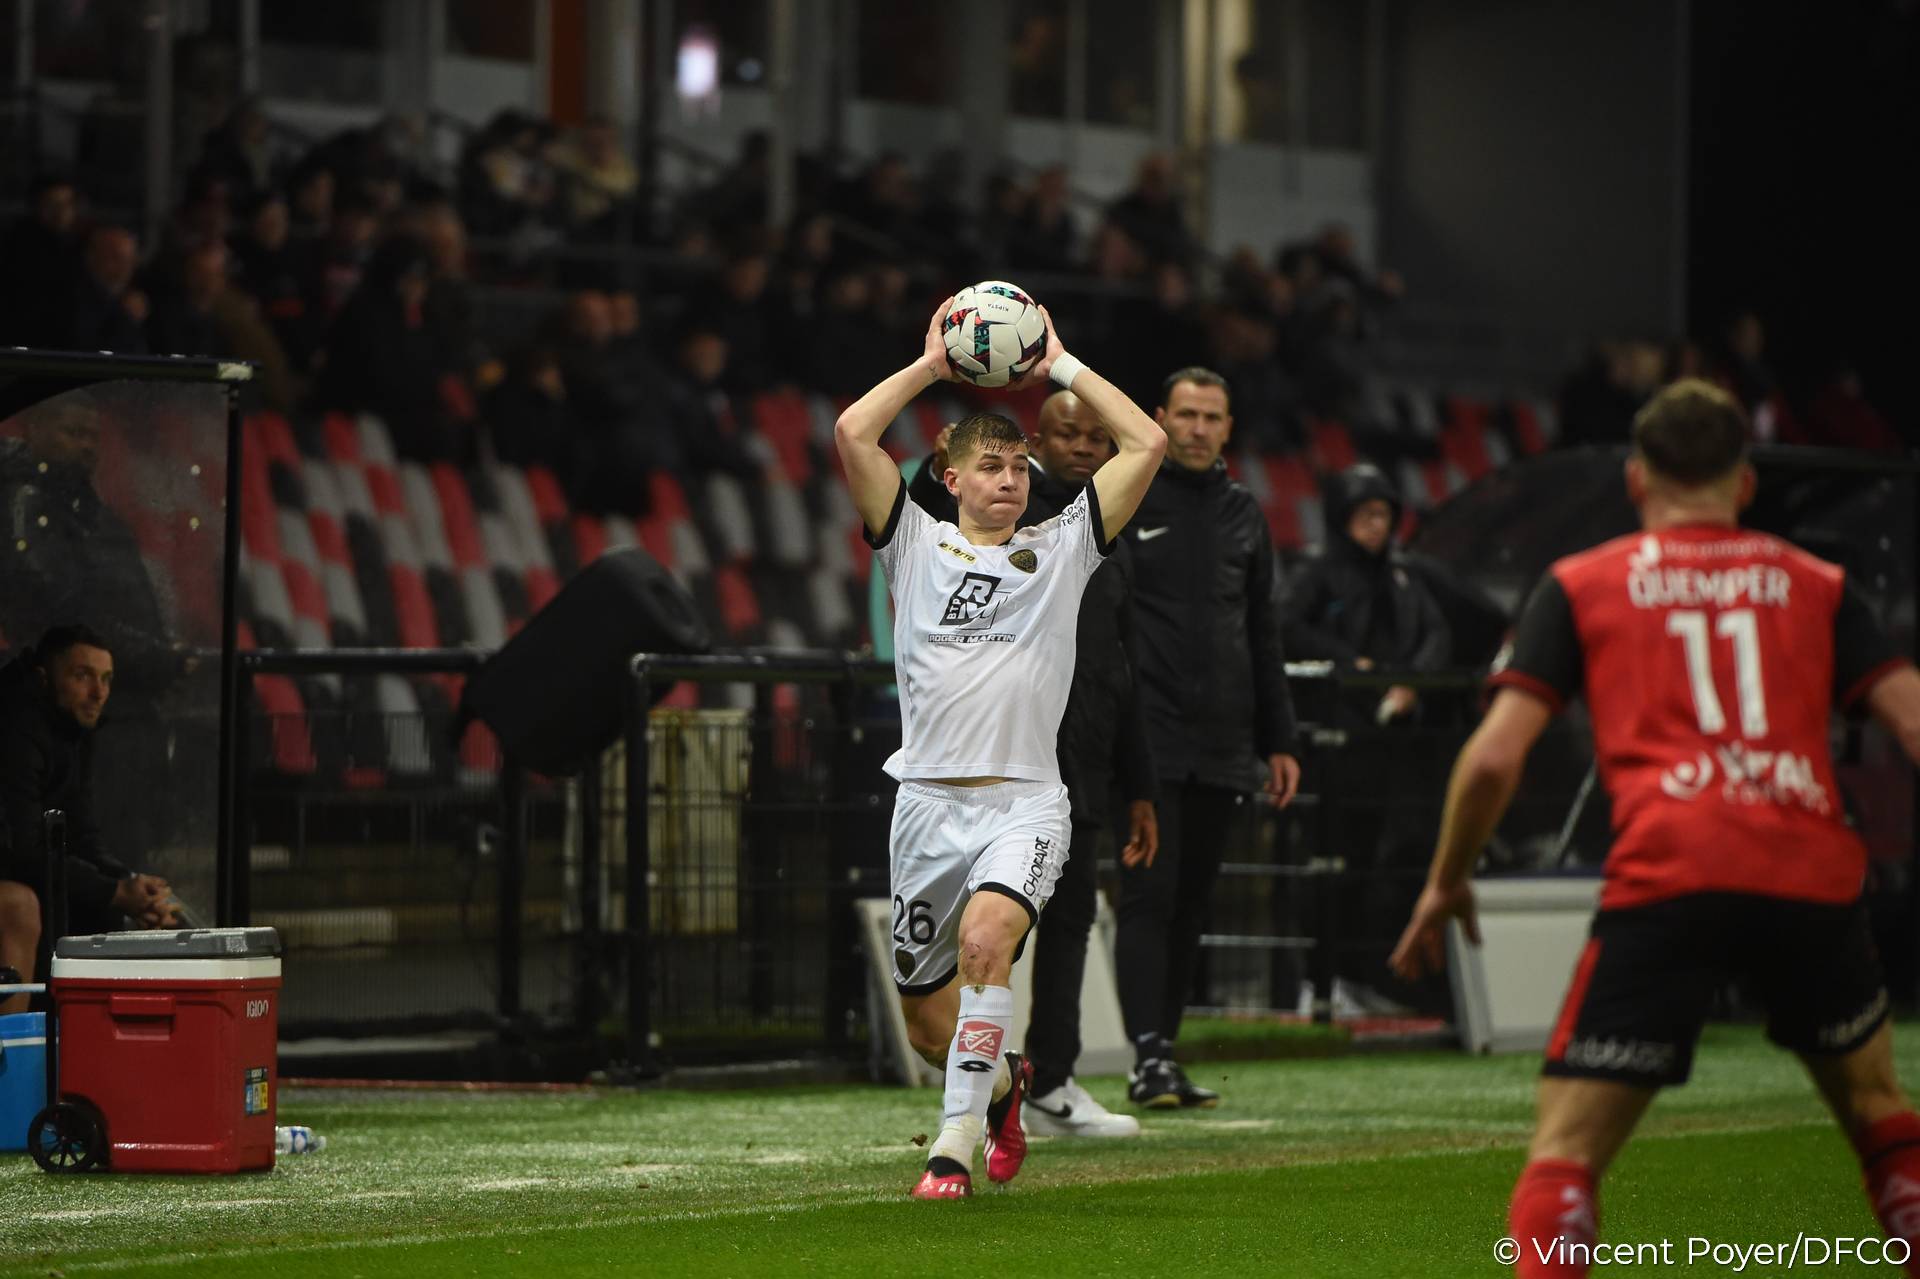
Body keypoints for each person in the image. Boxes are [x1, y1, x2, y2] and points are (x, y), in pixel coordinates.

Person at [1390, 380, 1920, 1277]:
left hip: (1671, 872)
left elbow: (1491, 758)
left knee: (1565, 1154)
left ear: (1637, 478)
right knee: (1881, 1115)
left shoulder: (1582, 583)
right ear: (1744, 482)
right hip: (1808, 873)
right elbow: (1911, 721)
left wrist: (1446, 881)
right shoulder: (1820, 585)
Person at [836, 300, 1164, 1199]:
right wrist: (931, 367)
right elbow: (853, 432)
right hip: (926, 806)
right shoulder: (912, 543)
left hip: (1024, 803)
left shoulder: (1063, 550)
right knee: (927, 1029)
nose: (1011, 480)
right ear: (948, 477)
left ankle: (951, 1147)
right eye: (991, 465)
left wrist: (1060, 361)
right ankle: (1006, 1082)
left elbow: (1146, 442)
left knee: (988, 940)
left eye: (1020, 466)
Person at [1120, 367, 1302, 1108]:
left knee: (1192, 902)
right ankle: (1146, 1055)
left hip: (1224, 740)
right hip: (1148, 737)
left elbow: (1262, 632)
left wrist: (1280, 738)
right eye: (1186, 414)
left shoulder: (1243, 513)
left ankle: (1161, 1053)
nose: (1198, 428)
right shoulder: (1129, 495)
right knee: (1149, 895)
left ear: (1229, 428)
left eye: (1211, 417)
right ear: (1160, 417)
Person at [1016, 392, 1159, 1139]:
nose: (1081, 446)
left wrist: (1140, 786)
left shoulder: (1112, 530)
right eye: (1066, 433)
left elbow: (1121, 667)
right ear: (1038, 439)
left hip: (1087, 760)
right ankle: (976, 1082)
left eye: (1095, 438)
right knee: (996, 925)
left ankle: (1051, 1081)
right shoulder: (1008, 507)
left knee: (1070, 919)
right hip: (1012, 753)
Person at [1283, 462, 1452, 1015]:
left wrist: (1411, 683)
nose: (1376, 526)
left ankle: (1353, 977)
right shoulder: (1317, 571)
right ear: (1342, 518)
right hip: (1329, 741)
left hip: (1384, 744)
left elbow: (1436, 635)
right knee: (1325, 863)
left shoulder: (1401, 576)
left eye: (1383, 515)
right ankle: (1316, 982)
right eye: (1365, 515)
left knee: (1365, 865)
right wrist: (1348, 664)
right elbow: (1286, 626)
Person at [0, 625, 180, 1016]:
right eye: (82, 676)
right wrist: (113, 891)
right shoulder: (15, 727)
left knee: (103, 910)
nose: (98, 692)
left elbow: (82, 834)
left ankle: (82, 1044)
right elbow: (23, 851)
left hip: (20, 864)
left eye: (106, 679)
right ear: (43, 678)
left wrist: (129, 885)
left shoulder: (72, 728)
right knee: (22, 904)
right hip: (12, 869)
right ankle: (13, 1050)